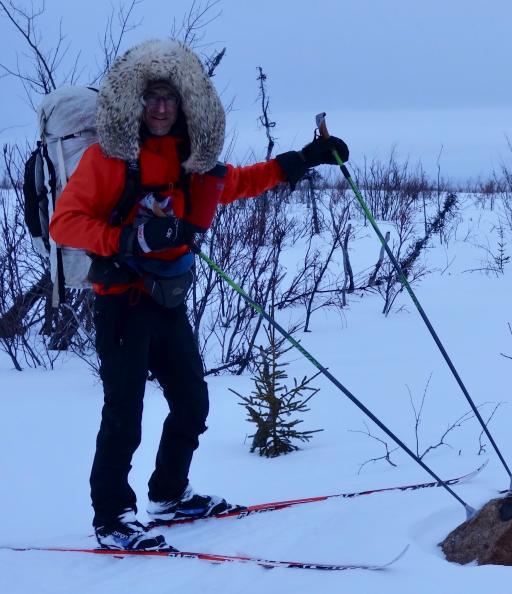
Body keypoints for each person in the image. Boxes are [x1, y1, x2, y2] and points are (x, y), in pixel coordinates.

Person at [49, 39, 349, 551]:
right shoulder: (108, 159)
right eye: (151, 97)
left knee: (191, 400)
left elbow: (238, 182)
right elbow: (65, 223)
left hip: (168, 298)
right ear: (135, 103)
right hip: (121, 299)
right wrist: (127, 239)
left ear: (185, 103)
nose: (161, 108)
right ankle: (113, 518)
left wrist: (306, 158)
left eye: (170, 98)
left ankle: (169, 495)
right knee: (124, 411)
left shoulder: (192, 158)